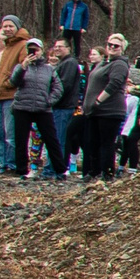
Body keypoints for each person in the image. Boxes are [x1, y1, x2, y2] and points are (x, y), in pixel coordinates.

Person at [81, 33, 130, 179]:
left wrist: (98, 101)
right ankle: (94, 171)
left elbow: (114, 83)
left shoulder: (120, 64)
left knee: (106, 143)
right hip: (95, 111)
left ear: (122, 48)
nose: (112, 48)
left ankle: (107, 173)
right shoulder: (104, 63)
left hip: (109, 110)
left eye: (116, 46)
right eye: (110, 45)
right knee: (92, 142)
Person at [11, 41, 56, 177]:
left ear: (42, 50)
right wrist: (23, 67)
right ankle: (21, 169)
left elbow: (58, 87)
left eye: (36, 49)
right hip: (22, 106)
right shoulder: (21, 67)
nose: (33, 52)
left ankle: (59, 168)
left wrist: (49, 101)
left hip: (42, 108)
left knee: (50, 138)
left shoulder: (48, 69)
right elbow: (14, 82)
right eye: (30, 49)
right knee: (21, 139)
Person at [0, 17, 31, 170]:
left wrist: (9, 83)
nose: (7, 29)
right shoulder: (8, 45)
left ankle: (12, 163)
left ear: (17, 27)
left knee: (10, 134)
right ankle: (1, 163)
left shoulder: (22, 45)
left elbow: (23, 68)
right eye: (4, 26)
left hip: (11, 95)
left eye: (10, 26)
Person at [48, 41, 83, 178]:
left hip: (63, 107)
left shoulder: (69, 63)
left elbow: (64, 85)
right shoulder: (62, 63)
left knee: (59, 139)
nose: (57, 49)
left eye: (60, 47)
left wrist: (51, 99)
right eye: (55, 46)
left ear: (68, 48)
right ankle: (54, 168)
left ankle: (57, 170)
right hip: (60, 106)